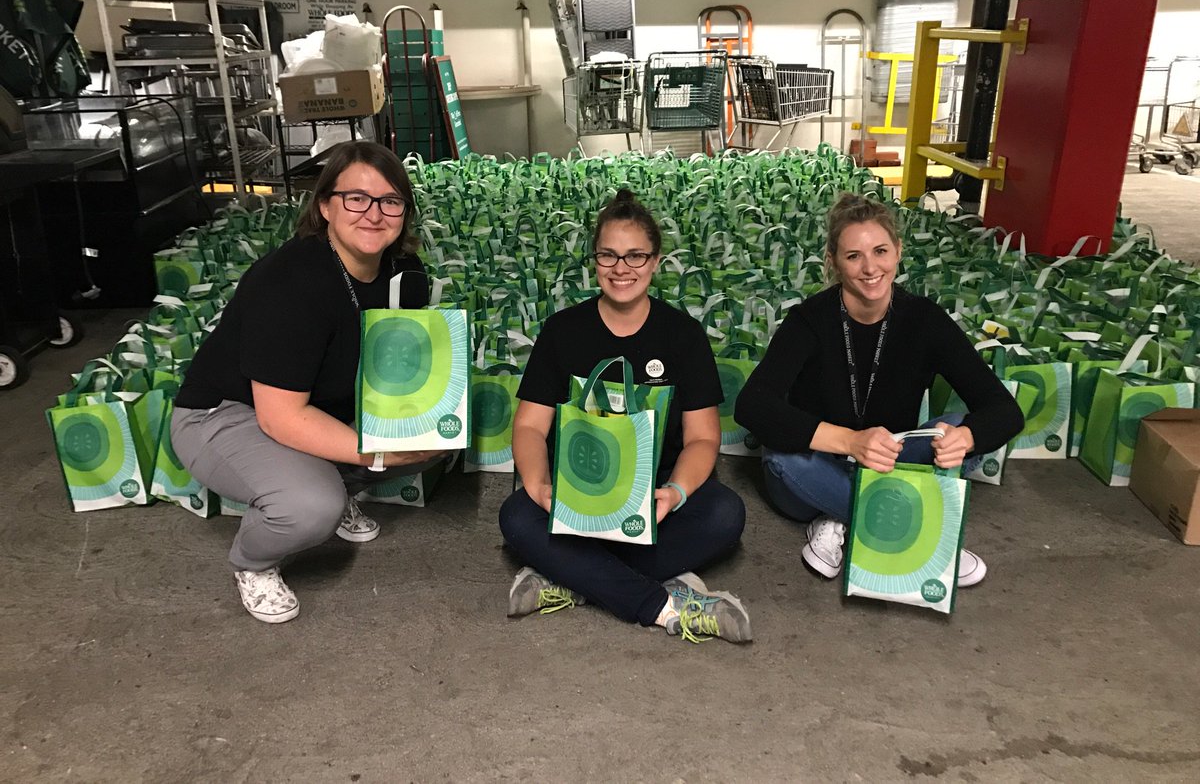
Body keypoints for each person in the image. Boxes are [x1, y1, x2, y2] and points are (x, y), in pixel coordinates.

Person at [171, 141, 444, 624]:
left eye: (390, 201)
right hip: (229, 414)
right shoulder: (292, 283)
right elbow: (280, 416)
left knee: (435, 436)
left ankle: (331, 484)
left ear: (405, 211)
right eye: (356, 198)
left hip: (319, 405)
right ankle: (254, 561)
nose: (374, 214)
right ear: (325, 206)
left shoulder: (405, 273)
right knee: (308, 506)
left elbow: (399, 365)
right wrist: (380, 451)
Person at [498, 189, 752, 644]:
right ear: (594, 261)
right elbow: (530, 427)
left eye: (636, 256)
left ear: (656, 261)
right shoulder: (563, 332)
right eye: (609, 255)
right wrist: (538, 486)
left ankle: (571, 577)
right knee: (517, 518)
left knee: (724, 515)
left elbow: (702, 439)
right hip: (579, 500)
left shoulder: (683, 336)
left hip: (655, 503)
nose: (622, 268)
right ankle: (665, 606)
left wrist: (674, 493)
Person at [734, 192, 1023, 587]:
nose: (870, 268)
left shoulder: (924, 320)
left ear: (898, 252)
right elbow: (753, 405)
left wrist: (967, 437)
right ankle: (924, 535)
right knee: (783, 460)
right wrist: (851, 442)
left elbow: (1005, 411)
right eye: (853, 256)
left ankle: (840, 516)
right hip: (819, 463)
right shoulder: (809, 321)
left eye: (881, 251)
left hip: (892, 457)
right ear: (834, 262)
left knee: (953, 427)